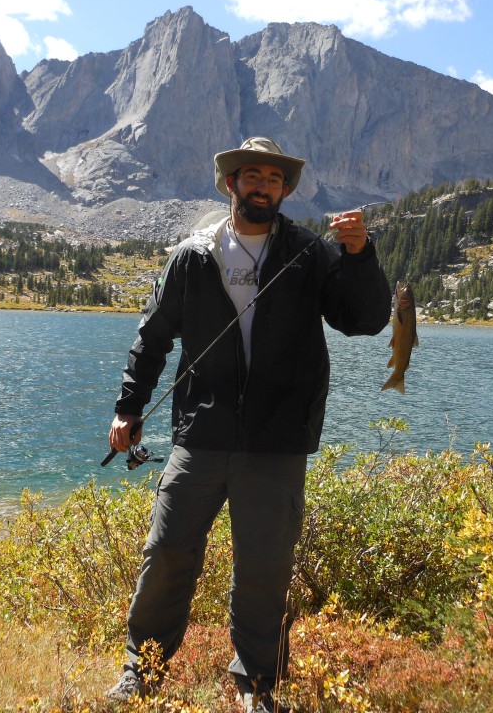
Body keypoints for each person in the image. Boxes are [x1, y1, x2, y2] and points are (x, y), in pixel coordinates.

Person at [105, 137, 392, 712]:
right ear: (231, 183)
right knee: (167, 552)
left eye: (274, 179)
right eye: (252, 175)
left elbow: (363, 321)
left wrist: (359, 257)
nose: (263, 185)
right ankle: (145, 668)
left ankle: (257, 684)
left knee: (264, 566)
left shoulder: (312, 254)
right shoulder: (193, 254)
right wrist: (129, 408)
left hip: (276, 441)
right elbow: (153, 337)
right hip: (200, 436)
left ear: (285, 190)